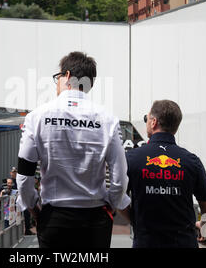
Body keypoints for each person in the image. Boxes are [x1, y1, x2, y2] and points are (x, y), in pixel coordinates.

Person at [16, 51, 131, 248]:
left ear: (67, 76)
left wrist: (33, 207)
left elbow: (24, 175)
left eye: (57, 78)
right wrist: (110, 206)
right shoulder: (108, 119)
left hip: (54, 217)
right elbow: (120, 178)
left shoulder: (37, 117)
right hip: (95, 218)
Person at [121, 100, 206, 248]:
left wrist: (135, 221)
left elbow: (118, 198)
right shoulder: (192, 161)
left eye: (146, 119)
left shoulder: (131, 158)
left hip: (146, 242)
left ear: (153, 122)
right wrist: (203, 229)